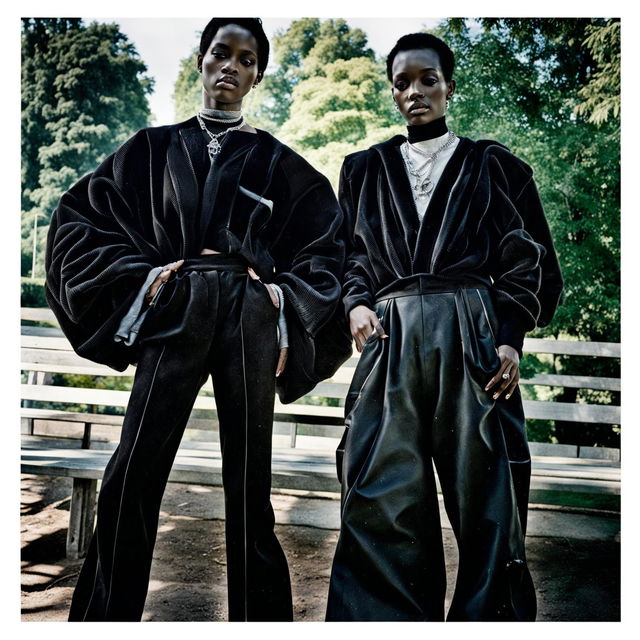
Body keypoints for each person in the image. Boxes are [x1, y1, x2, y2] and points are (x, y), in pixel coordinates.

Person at [45, 17, 347, 622]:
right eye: (219, 53)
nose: (229, 66)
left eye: (244, 58)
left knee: (248, 487)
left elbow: (327, 247)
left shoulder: (275, 161)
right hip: (174, 308)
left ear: (257, 73)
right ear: (201, 60)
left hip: (249, 316)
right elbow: (79, 221)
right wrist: (145, 277)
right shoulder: (151, 149)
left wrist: (282, 301)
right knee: (132, 471)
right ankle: (106, 620)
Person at [325, 32, 563, 622]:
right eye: (402, 83)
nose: (415, 92)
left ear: (448, 87)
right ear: (391, 93)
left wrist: (509, 336)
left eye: (427, 79)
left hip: (473, 337)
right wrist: (356, 303)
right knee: (381, 495)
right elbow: (348, 256)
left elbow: (528, 262)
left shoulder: (496, 166)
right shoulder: (364, 169)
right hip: (391, 336)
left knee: (490, 498)